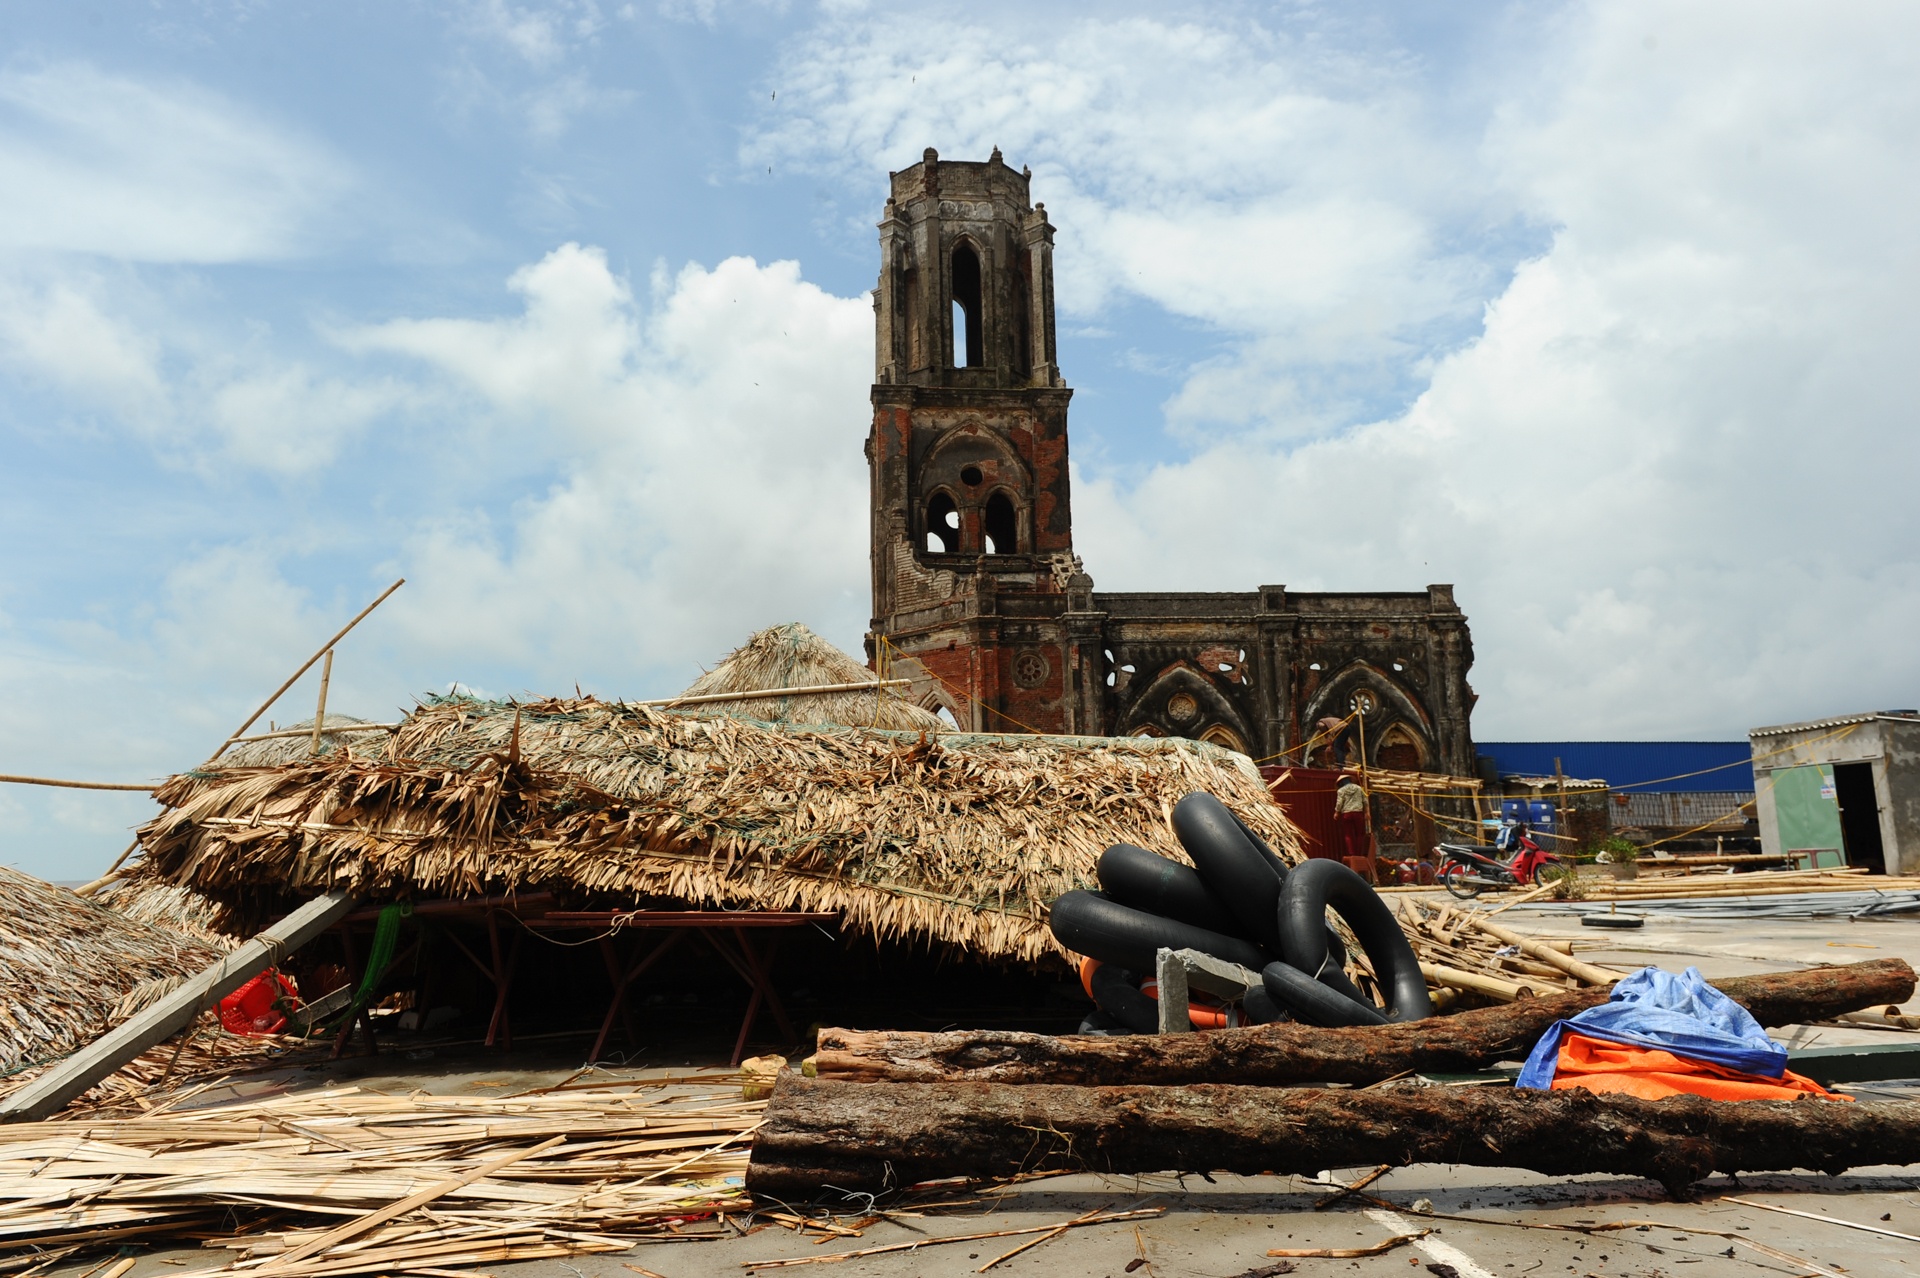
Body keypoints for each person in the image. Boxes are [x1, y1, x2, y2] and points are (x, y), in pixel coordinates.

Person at [1334, 774, 1373, 865]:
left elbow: (1339, 803)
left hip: (1346, 813)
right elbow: (1365, 801)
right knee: (1359, 834)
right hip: (1358, 812)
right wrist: (1367, 813)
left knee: (1348, 835)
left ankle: (1352, 854)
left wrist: (1336, 812)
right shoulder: (1359, 788)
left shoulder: (1341, 791)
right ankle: (1359, 853)